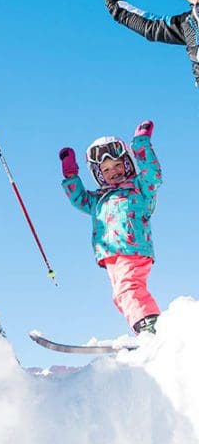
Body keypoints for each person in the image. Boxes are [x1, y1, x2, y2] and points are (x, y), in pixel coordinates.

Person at [59, 120, 161, 335]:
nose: (112, 171)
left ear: (126, 165)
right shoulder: (98, 200)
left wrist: (141, 142)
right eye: (105, 169)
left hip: (133, 248)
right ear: (98, 175)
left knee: (129, 289)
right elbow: (78, 199)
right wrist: (70, 176)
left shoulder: (139, 189)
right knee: (121, 295)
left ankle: (150, 327)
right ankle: (144, 328)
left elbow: (152, 173)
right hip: (111, 255)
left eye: (117, 165)